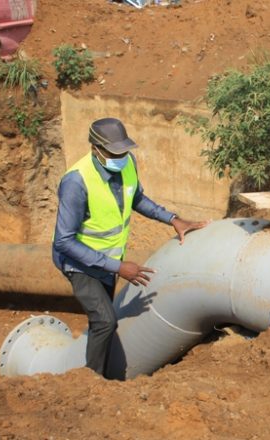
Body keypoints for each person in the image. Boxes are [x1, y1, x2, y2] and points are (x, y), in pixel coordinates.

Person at [52, 117, 207, 377]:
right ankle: (90, 382)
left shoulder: (127, 164)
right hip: (79, 263)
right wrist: (118, 267)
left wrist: (172, 219)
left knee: (102, 321)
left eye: (124, 150)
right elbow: (64, 241)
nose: (121, 156)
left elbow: (136, 198)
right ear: (96, 149)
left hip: (109, 261)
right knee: (105, 321)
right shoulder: (76, 182)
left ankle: (98, 370)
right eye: (115, 152)